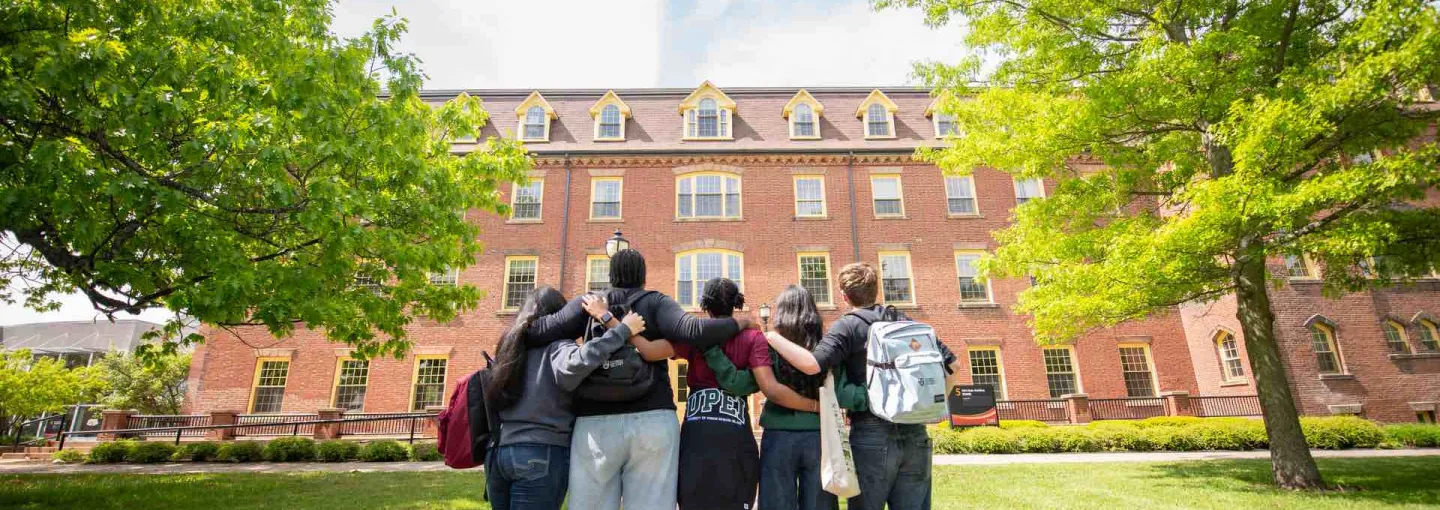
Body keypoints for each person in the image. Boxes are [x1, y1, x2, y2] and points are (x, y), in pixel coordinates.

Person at [532, 249, 754, 510]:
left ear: (611, 274)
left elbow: (538, 330)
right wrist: (742, 323)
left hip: (595, 421)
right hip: (653, 418)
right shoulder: (657, 302)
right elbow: (694, 330)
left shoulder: (590, 303)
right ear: (643, 276)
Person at [765, 263, 963, 510]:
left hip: (872, 432)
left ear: (844, 295)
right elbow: (953, 366)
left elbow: (812, 365)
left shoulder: (848, 326)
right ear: (876, 290)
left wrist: (771, 337)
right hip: (916, 433)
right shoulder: (904, 321)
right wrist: (928, 405)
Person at [484, 285, 647, 510]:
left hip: (498, 455)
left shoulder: (509, 349)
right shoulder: (556, 347)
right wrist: (622, 330)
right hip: (540, 452)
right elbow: (577, 364)